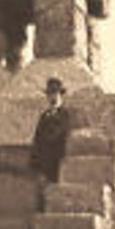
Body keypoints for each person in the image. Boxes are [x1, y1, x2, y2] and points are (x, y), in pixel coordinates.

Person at [29, 77, 74, 206]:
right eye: (50, 94)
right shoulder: (44, 116)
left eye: (55, 93)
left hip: (58, 161)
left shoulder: (65, 115)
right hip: (44, 164)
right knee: (42, 198)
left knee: (57, 197)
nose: (52, 97)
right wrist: (34, 163)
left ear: (61, 95)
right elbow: (37, 139)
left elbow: (59, 135)